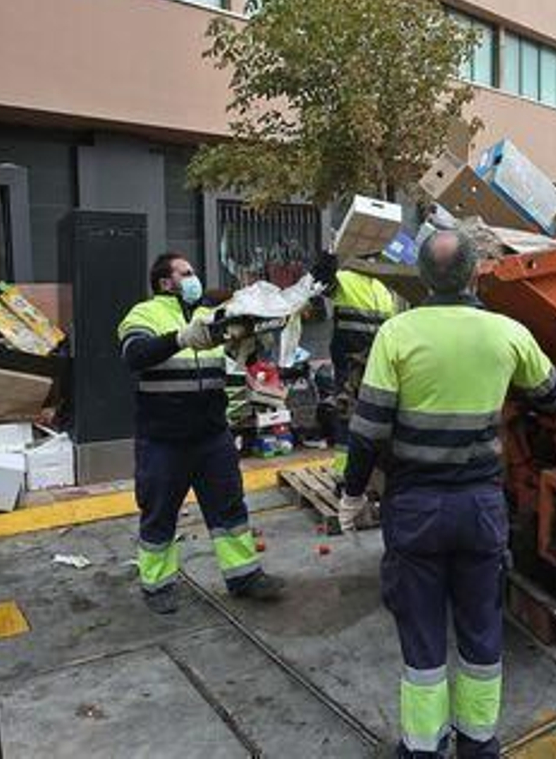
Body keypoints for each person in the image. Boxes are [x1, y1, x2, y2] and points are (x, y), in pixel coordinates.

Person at [338, 231, 556, 758]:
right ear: (476, 274)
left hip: (415, 509)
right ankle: (479, 744)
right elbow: (553, 389)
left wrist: (351, 492)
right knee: (481, 631)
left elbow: (368, 428)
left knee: (422, 635)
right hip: (479, 508)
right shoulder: (506, 333)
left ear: (424, 280)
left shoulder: (397, 333)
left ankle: (424, 746)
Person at [117, 252, 285, 613]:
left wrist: (249, 344)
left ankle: (244, 576)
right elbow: (134, 355)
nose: (194, 277)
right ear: (165, 282)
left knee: (229, 508)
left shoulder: (207, 316)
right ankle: (158, 586)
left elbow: (239, 360)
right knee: (160, 512)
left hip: (212, 434)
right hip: (163, 439)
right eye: (186, 272)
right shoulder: (143, 314)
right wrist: (179, 338)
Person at [311, 252, 400, 474]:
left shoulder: (382, 289)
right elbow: (319, 283)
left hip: (373, 362)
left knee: (369, 416)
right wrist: (326, 263)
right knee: (348, 414)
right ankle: (345, 473)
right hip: (350, 362)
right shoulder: (345, 279)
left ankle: (365, 472)